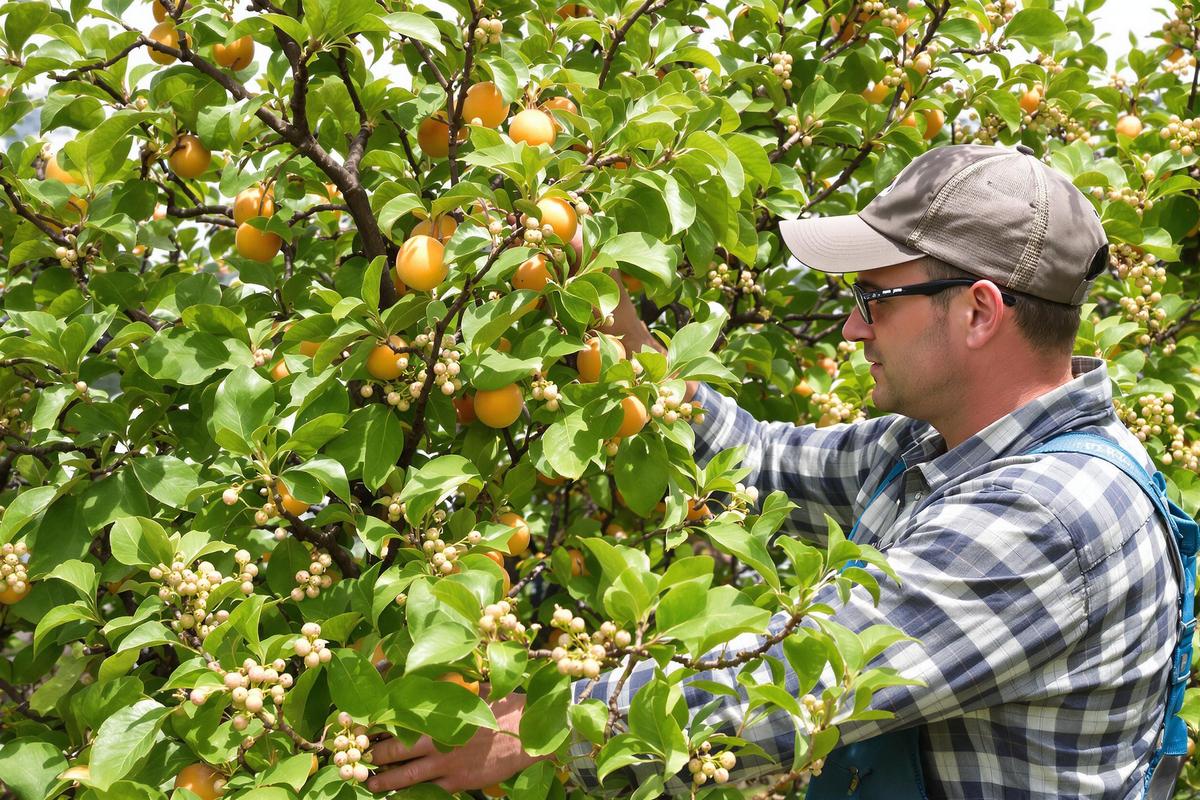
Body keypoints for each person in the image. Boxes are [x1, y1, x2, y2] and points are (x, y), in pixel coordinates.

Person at [367, 144, 1186, 798]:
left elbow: (795, 689)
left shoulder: (1050, 514)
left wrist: (528, 725)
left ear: (978, 312)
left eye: (875, 299)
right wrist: (602, 304)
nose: (850, 329)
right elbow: (750, 460)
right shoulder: (929, 449)